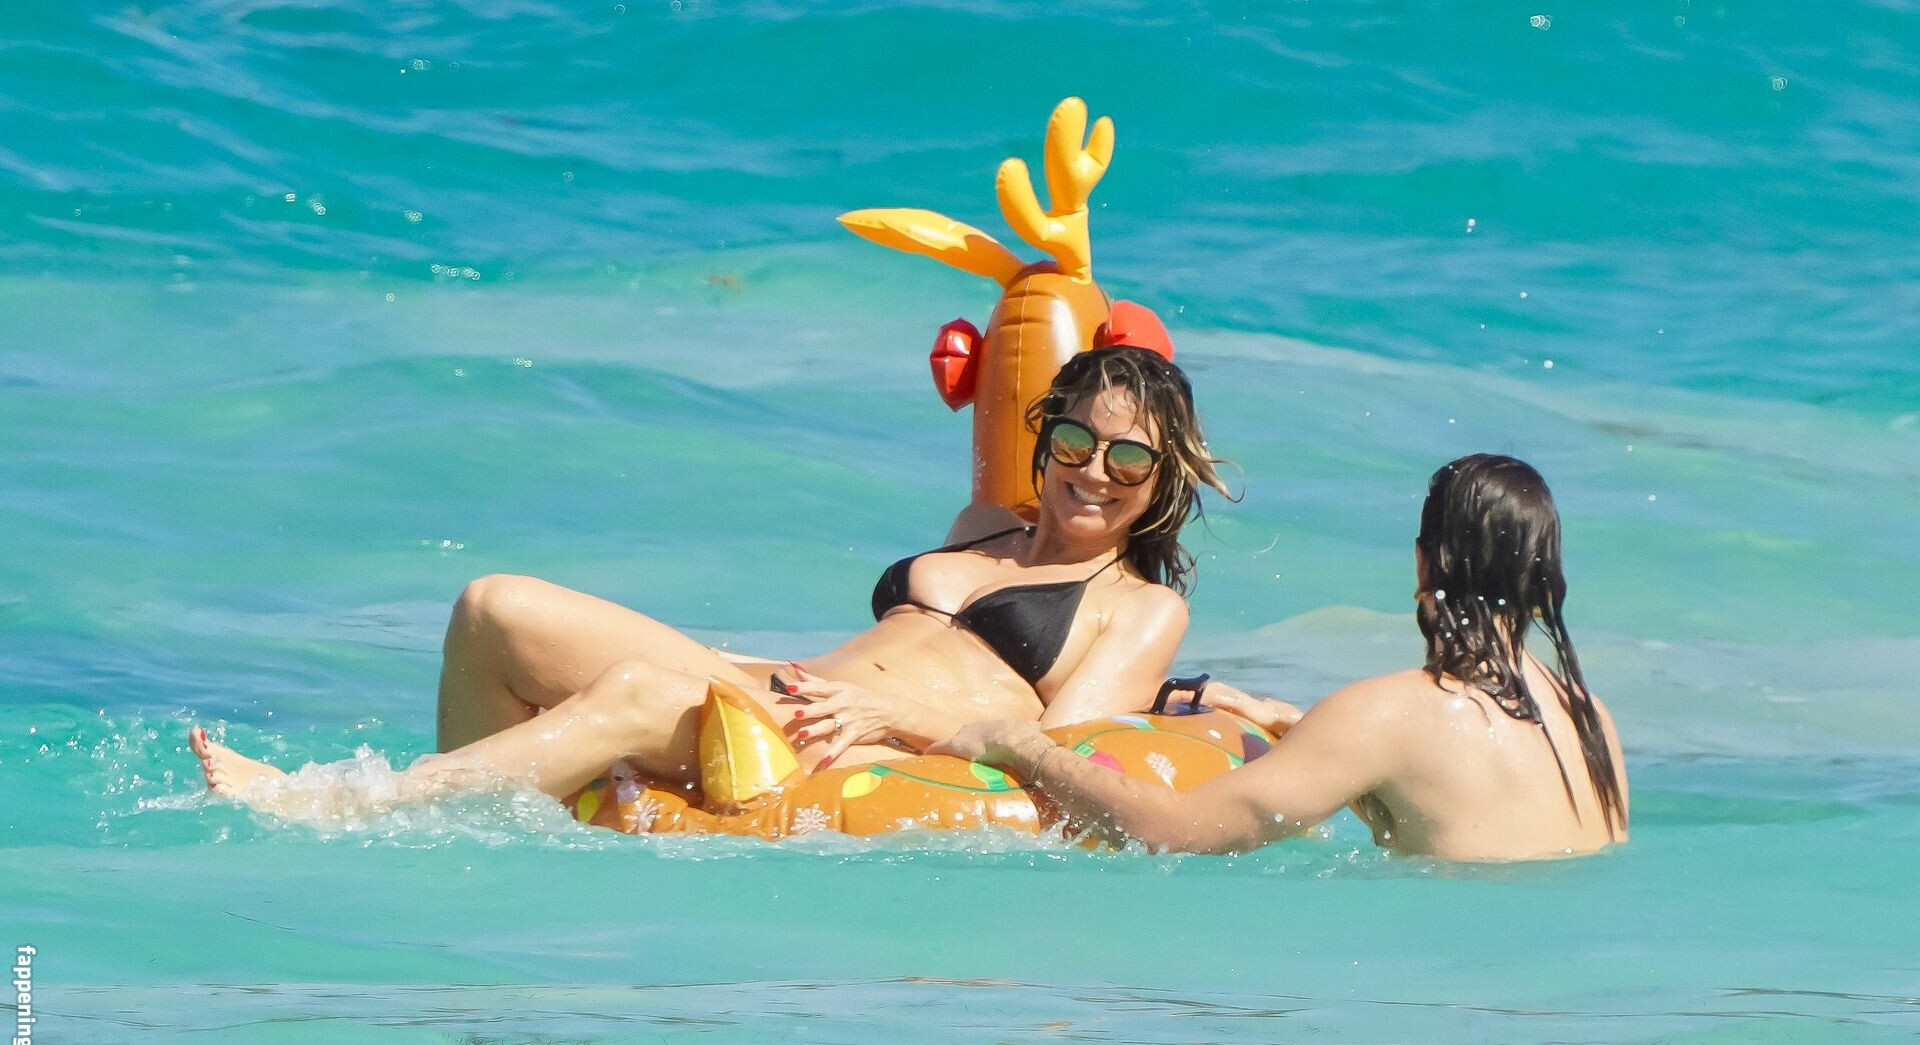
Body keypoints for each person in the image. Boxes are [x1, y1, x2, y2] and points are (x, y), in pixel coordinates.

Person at [191, 346, 1234, 812]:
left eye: (1128, 457)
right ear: (1045, 441)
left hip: (843, 742)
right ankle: (487, 814)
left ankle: (349, 804)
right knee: (493, 607)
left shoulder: (1141, 608)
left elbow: (1061, 752)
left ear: (1163, 480)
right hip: (780, 685)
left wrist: (891, 716)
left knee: (642, 695)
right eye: (1074, 440)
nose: (1094, 470)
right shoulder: (982, 527)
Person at [934, 454, 1629, 862]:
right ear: (1545, 579)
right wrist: (1298, 726)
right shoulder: (1590, 719)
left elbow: (1173, 833)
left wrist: (1028, 749)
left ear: (1424, 562)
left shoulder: (1387, 716)